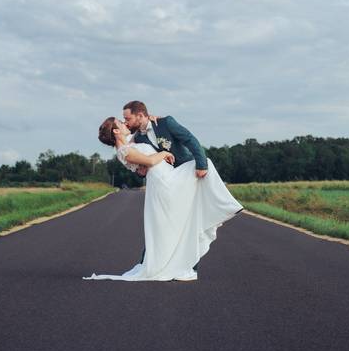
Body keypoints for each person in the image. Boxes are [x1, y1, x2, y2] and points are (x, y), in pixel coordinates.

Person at [83, 112, 243, 282]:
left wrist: (148, 120)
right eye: (121, 123)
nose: (124, 124)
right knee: (205, 165)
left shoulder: (130, 143)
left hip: (167, 176)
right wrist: (164, 154)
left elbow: (142, 154)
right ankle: (225, 207)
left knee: (199, 178)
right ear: (116, 132)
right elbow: (150, 162)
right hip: (164, 182)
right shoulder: (124, 151)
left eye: (125, 120)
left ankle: (218, 211)